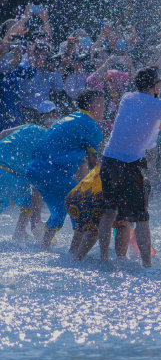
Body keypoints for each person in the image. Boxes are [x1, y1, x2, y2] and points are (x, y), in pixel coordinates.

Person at [95, 67, 161, 265]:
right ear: (155, 85)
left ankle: (104, 259)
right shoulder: (160, 104)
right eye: (160, 82)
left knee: (109, 211)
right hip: (130, 163)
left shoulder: (127, 98)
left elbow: (143, 118)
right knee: (141, 216)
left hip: (109, 160)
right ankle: (147, 264)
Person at [24, 90, 106, 250]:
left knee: (61, 208)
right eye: (103, 106)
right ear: (95, 106)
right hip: (50, 171)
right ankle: (74, 254)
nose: (105, 110)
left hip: (34, 171)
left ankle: (44, 246)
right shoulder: (90, 125)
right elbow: (93, 163)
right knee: (80, 205)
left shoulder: (72, 118)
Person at [0, 102, 59, 240]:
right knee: (32, 193)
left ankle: (21, 231)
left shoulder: (27, 126)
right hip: (7, 176)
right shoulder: (47, 139)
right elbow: (38, 179)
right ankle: (21, 230)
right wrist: (36, 215)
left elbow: (2, 133)